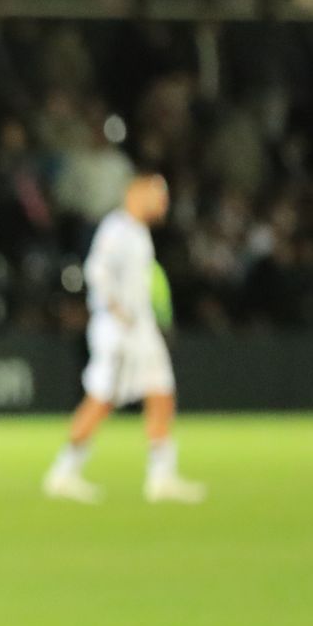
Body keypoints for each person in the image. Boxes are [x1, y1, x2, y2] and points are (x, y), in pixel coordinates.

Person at [44, 173, 206, 504]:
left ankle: (162, 476)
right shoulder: (116, 228)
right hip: (119, 331)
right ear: (136, 194)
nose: (163, 203)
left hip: (141, 329)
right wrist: (117, 311)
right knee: (102, 397)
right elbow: (96, 270)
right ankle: (63, 471)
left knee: (161, 391)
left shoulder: (138, 231)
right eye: (158, 195)